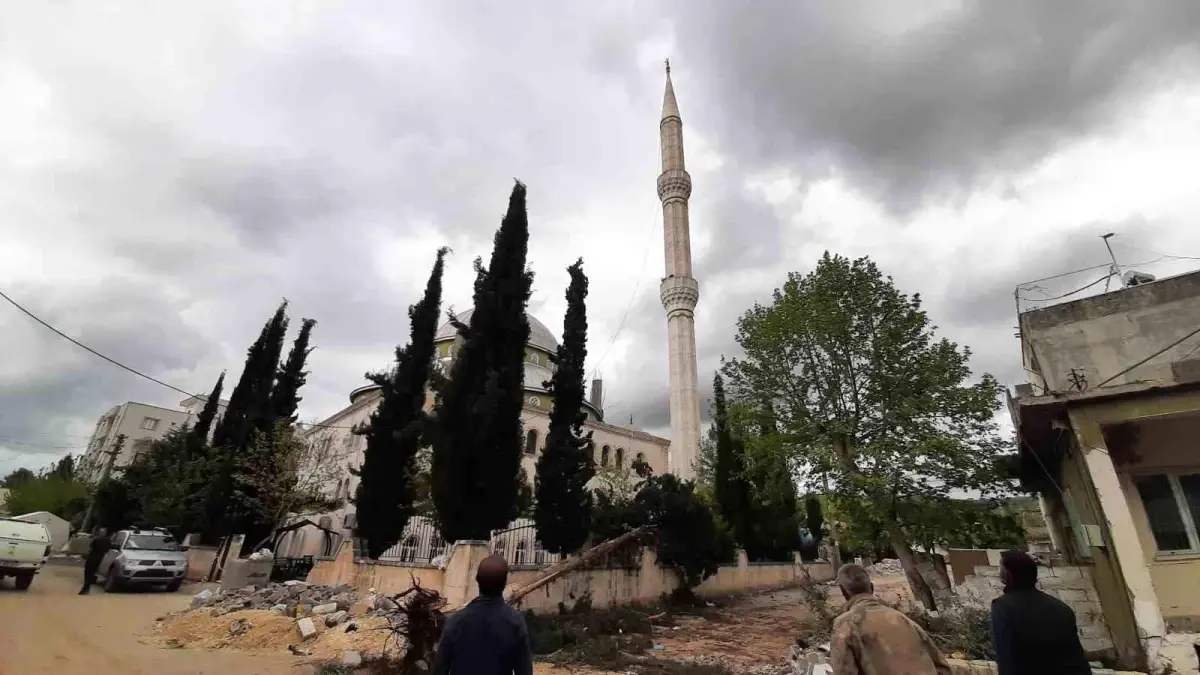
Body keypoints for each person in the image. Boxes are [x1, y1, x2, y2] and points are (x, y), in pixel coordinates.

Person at [829, 563, 952, 675]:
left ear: (843, 592)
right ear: (871, 588)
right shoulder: (903, 619)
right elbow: (942, 667)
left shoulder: (845, 625)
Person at [990, 550, 1090, 675]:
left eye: (1001, 567)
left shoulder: (1003, 607)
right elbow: (1076, 656)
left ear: (1011, 573)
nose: (999, 572)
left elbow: (1007, 656)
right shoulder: (1060, 607)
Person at [432, 554, 533, 675]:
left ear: (477, 579)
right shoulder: (516, 622)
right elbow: (524, 670)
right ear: (505, 583)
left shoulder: (455, 620)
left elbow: (439, 669)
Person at [79, 528, 111, 595]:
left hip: (93, 558)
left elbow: (91, 547)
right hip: (100, 559)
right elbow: (108, 549)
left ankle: (85, 589)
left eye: (101, 532)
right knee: (91, 573)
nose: (101, 533)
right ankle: (86, 588)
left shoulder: (96, 539)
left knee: (88, 573)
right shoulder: (107, 540)